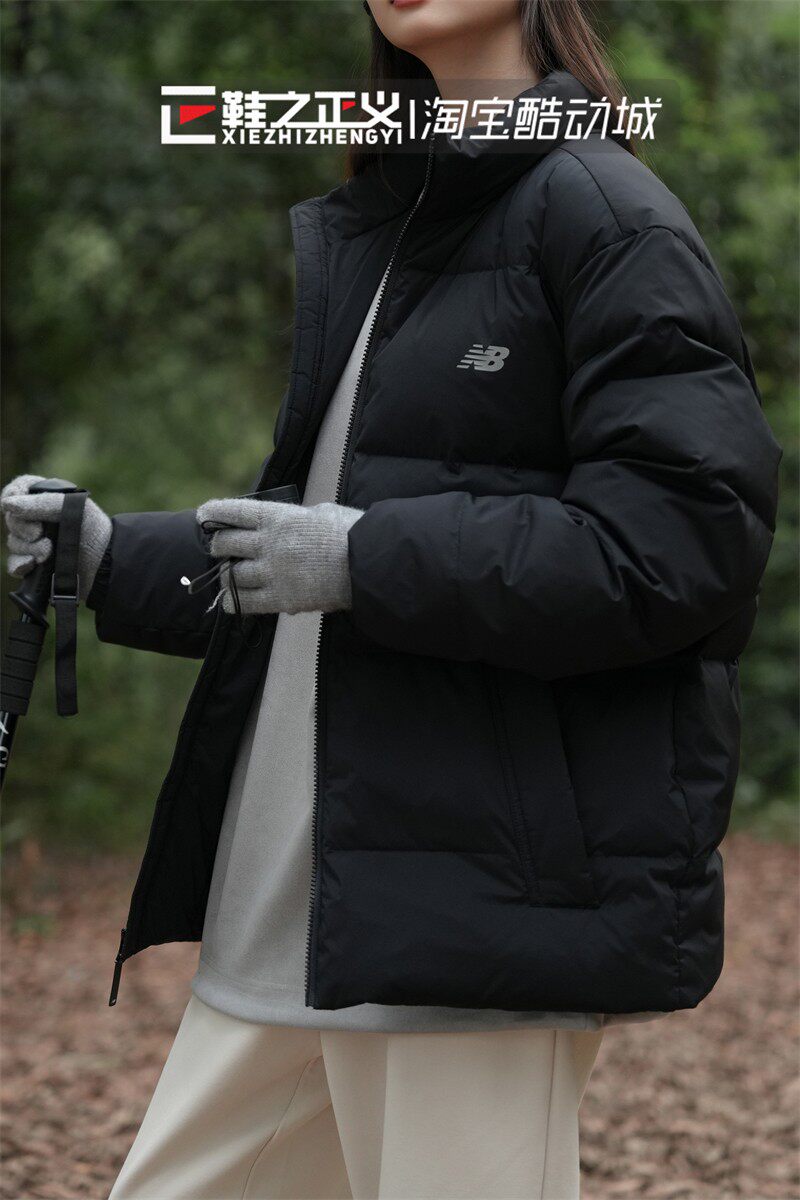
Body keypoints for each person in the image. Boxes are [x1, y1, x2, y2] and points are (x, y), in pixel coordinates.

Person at [2, 0, 781, 1197]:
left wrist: (365, 559)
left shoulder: (602, 209)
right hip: (297, 906)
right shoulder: (396, 213)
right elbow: (319, 536)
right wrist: (107, 557)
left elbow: (678, 544)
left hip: (473, 909)